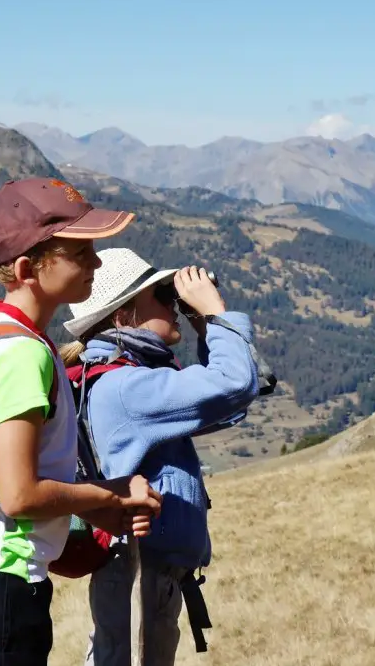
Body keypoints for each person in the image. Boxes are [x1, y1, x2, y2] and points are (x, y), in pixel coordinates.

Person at [0, 178, 163, 666]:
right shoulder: (22, 356)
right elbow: (20, 495)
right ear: (29, 269)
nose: (96, 262)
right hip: (0, 588)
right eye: (80, 252)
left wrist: (100, 501)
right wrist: (108, 496)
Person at [59, 247, 264, 666]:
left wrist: (208, 330)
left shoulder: (129, 379)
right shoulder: (126, 388)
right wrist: (214, 314)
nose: (174, 305)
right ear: (122, 318)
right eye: (161, 296)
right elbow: (234, 385)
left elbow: (225, 406)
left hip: (146, 571)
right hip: (139, 570)